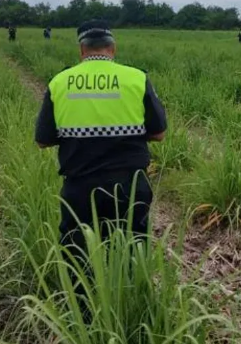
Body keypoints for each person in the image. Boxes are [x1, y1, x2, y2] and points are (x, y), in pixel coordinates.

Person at [34, 20, 167, 318]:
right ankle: (132, 314)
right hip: (130, 184)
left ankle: (83, 318)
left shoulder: (60, 82)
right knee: (133, 248)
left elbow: (42, 140)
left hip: (80, 186)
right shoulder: (136, 78)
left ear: (82, 50)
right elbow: (159, 133)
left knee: (78, 252)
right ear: (112, 48)